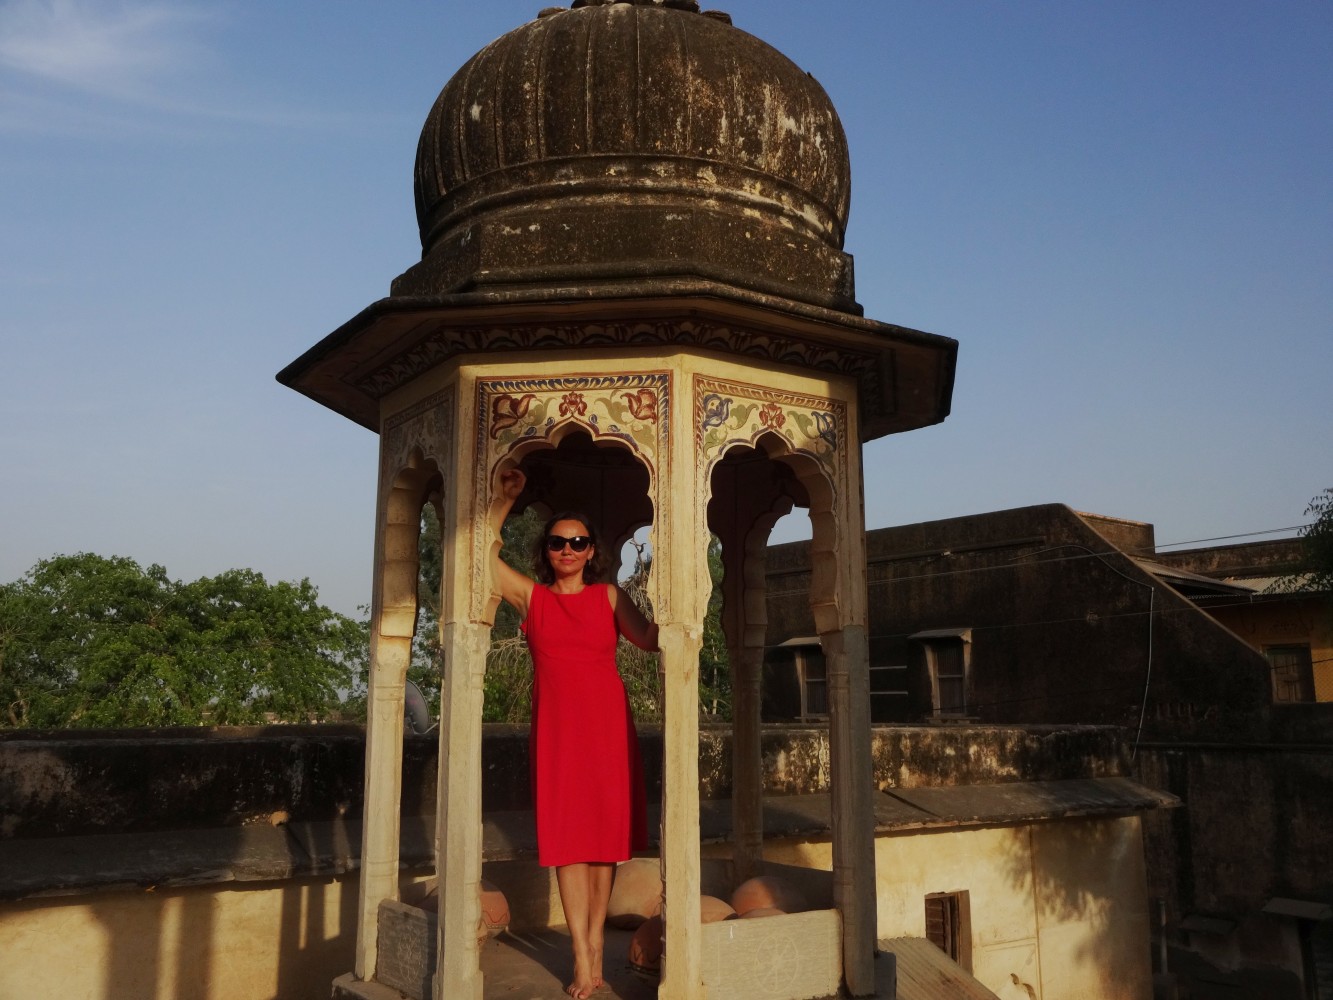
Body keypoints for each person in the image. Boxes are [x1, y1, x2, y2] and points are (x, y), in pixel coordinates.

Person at [490, 467, 659, 999]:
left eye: (578, 542)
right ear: (547, 550)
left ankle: (595, 945)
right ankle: (583, 959)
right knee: (567, 847)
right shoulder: (532, 598)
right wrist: (503, 503)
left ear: (591, 551)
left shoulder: (608, 597)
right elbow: (478, 560)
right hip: (558, 736)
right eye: (558, 542)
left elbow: (651, 639)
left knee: (604, 845)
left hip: (607, 731)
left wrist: (676, 584)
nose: (568, 549)